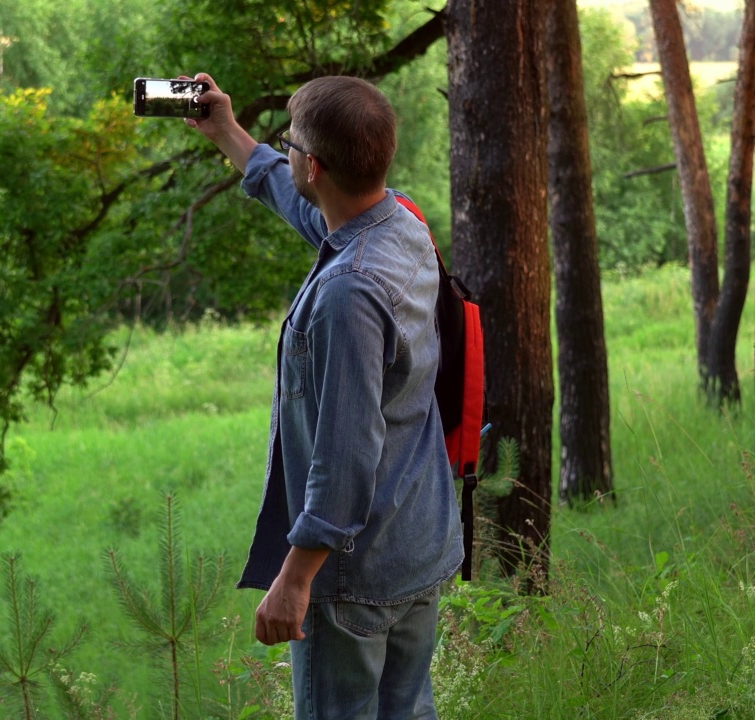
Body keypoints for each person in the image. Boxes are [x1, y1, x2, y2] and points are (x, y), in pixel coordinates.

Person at [184, 72, 463, 719]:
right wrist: (227, 133)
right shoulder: (402, 227)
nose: (287, 157)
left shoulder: (349, 292)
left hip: (355, 574)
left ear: (313, 163)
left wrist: (294, 580)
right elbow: (303, 205)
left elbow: (344, 457)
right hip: (417, 542)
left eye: (290, 146)